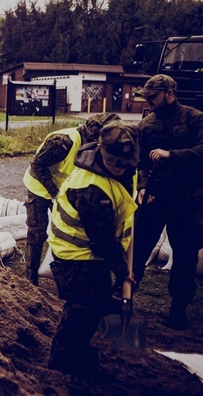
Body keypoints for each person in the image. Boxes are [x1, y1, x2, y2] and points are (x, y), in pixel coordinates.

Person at [46, 121, 139, 377]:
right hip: (76, 256)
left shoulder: (109, 164)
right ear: (101, 149)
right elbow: (103, 241)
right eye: (115, 163)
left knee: (94, 303)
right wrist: (122, 273)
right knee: (82, 309)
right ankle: (63, 361)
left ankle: (76, 351)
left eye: (125, 163)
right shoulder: (90, 190)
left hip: (89, 253)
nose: (120, 168)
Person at [132, 74, 203, 329]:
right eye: (146, 97)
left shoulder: (196, 119)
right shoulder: (146, 124)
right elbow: (141, 163)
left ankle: (178, 309)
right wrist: (143, 186)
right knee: (137, 248)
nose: (148, 102)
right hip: (155, 197)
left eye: (153, 96)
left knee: (184, 255)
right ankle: (123, 297)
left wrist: (172, 155)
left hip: (187, 198)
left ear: (169, 93)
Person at [22, 112, 120, 285]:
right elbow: (36, 165)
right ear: (96, 134)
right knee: (37, 232)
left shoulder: (91, 146)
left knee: (64, 233)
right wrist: (54, 193)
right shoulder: (63, 142)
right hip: (39, 188)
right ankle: (31, 279)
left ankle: (62, 274)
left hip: (61, 192)